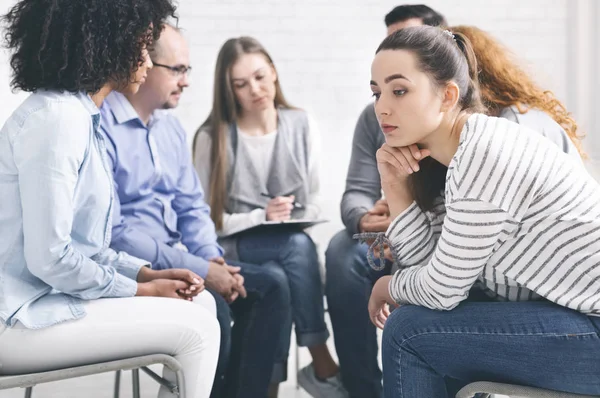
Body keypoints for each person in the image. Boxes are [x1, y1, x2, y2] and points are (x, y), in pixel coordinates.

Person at [0, 1, 221, 398]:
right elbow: (50, 258)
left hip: (41, 299)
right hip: (17, 317)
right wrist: (141, 291)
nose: (149, 63)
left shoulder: (81, 116)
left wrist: (145, 274)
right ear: (107, 42)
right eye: (142, 46)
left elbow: (85, 247)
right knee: (197, 329)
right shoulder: (58, 121)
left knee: (203, 304)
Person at [367, 25, 600, 398]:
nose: (381, 107)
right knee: (418, 327)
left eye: (399, 90)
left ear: (447, 96)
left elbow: (441, 290)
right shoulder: (452, 160)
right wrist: (395, 186)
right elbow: (426, 273)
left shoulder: (484, 151)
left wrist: (386, 285)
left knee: (408, 331)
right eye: (376, 92)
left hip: (593, 328)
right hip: (575, 322)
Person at [100, 25, 288, 398]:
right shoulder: (102, 124)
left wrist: (211, 259)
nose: (185, 81)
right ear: (143, 63)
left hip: (183, 259)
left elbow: (191, 205)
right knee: (212, 305)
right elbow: (116, 232)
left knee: (271, 287)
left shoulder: (169, 126)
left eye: (187, 70)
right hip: (135, 268)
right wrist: (204, 271)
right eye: (177, 69)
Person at [193, 36, 344, 398]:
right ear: (228, 90)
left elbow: (314, 202)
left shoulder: (301, 123)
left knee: (279, 273)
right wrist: (260, 216)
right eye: (241, 85)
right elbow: (206, 221)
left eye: (260, 77)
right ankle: (321, 359)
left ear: (274, 73)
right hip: (235, 247)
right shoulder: (212, 136)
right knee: (296, 247)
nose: (255, 90)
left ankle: (269, 385)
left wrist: (288, 214)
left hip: (284, 246)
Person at [324, 5, 447, 397]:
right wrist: (363, 219)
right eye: (391, 41)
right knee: (343, 252)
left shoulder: (460, 117)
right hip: (389, 235)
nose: (398, 48)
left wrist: (407, 213)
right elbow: (355, 192)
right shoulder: (374, 115)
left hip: (447, 235)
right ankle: (361, 388)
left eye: (409, 39)